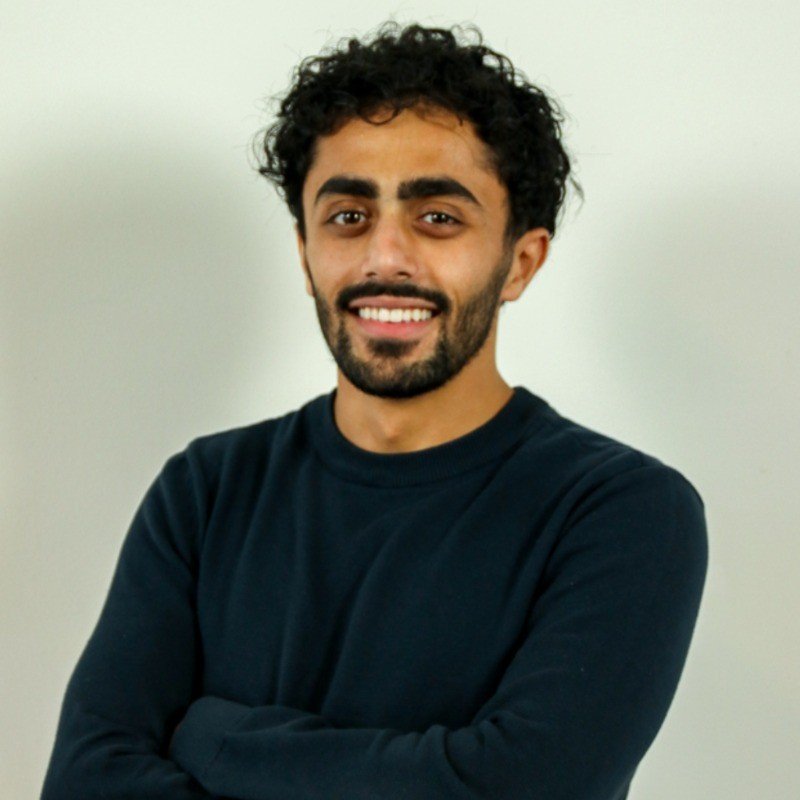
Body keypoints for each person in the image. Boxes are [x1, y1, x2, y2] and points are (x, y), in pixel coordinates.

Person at [40, 21, 708, 800]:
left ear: (520, 262)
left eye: (438, 217)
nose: (385, 258)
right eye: (349, 217)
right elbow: (86, 780)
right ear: (305, 253)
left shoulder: (621, 512)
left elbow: (521, 788)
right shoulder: (206, 491)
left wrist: (214, 742)